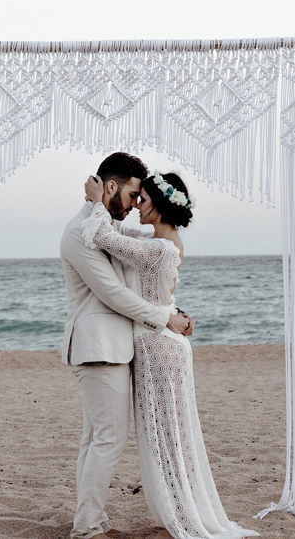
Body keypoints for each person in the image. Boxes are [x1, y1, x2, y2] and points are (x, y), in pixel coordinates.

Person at [81, 171, 259, 539]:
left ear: (160, 206)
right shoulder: (159, 242)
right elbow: (120, 239)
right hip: (158, 344)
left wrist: (96, 199)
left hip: (160, 350)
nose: (137, 205)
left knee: (169, 438)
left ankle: (182, 518)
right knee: (163, 436)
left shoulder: (161, 247)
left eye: (142, 200)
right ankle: (177, 513)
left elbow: (102, 236)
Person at [60, 152, 194, 539]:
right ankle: (87, 527)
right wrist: (163, 318)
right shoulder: (79, 231)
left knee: (96, 439)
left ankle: (90, 521)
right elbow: (114, 293)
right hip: (99, 347)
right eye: (133, 195)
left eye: (142, 199)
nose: (136, 204)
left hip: (111, 347)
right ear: (111, 187)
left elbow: (142, 271)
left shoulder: (104, 227)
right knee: (108, 439)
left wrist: (172, 309)